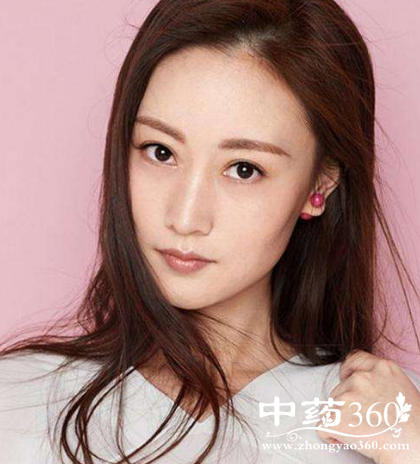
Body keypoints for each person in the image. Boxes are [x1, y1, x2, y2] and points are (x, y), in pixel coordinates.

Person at [1, 0, 420, 463]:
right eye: (160, 152)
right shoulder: (17, 401)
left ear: (319, 184)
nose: (185, 218)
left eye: (244, 169)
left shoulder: (392, 416)